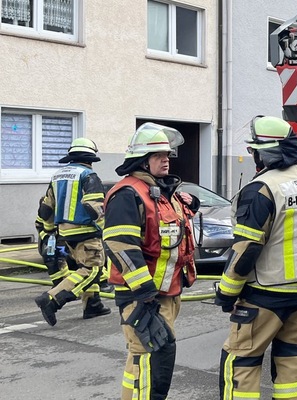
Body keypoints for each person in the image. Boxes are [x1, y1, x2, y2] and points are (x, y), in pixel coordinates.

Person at [215, 115, 297, 400]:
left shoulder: (262, 188)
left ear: (262, 152)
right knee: (293, 357)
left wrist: (227, 293)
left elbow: (246, 250)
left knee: (241, 359)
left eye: (253, 150)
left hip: (265, 294)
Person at [103, 122, 199, 400]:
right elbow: (120, 245)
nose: (166, 160)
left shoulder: (161, 192)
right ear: (143, 161)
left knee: (157, 359)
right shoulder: (127, 194)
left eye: (168, 155)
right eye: (159, 156)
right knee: (144, 361)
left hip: (165, 294)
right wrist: (144, 294)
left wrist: (190, 204)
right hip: (142, 297)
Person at [33, 138, 110, 326]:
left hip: (65, 233)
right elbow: (94, 208)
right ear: (91, 158)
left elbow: (46, 208)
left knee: (84, 266)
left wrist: (49, 232)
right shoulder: (89, 176)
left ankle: (93, 305)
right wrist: (107, 230)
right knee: (92, 269)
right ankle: (52, 299)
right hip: (86, 231)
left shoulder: (57, 176)